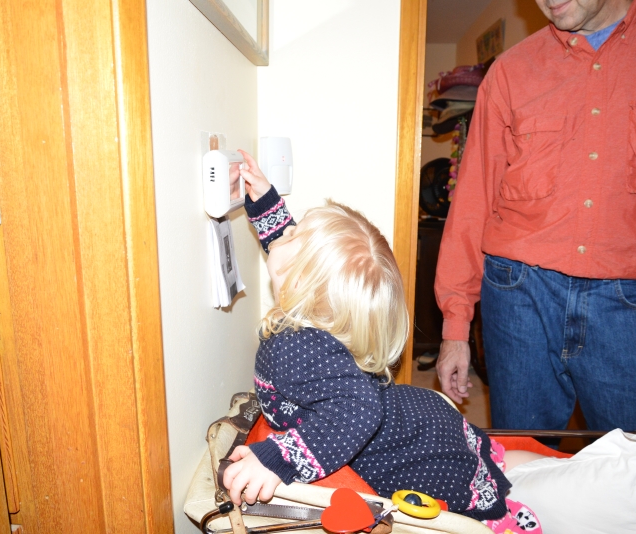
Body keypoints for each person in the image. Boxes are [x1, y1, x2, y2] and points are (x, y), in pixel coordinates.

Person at [434, 0, 636, 481]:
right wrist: (455, 328)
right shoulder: (511, 71)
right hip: (518, 295)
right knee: (522, 470)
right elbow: (472, 202)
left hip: (628, 301)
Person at [221, 150, 547, 528]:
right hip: (419, 418)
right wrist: (264, 200)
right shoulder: (315, 308)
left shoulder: (295, 346)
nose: (284, 232)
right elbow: (287, 253)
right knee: (502, 462)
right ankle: (565, 467)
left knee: (498, 503)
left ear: (298, 281)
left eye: (293, 234)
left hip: (413, 454)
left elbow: (359, 409)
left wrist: (276, 459)